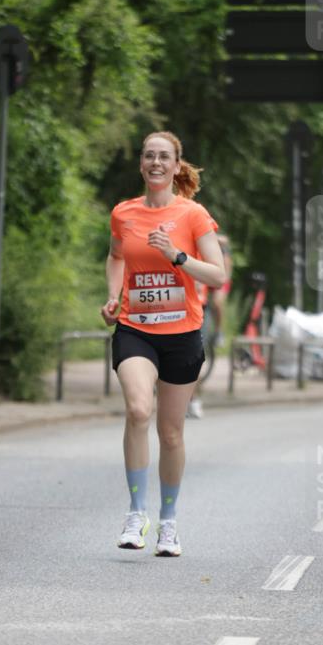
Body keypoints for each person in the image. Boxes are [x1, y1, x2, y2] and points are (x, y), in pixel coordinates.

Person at [101, 131, 226, 556]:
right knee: (138, 409)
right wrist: (114, 295)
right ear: (141, 164)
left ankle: (168, 523)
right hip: (136, 328)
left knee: (170, 433)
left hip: (182, 334)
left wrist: (176, 255)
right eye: (149, 156)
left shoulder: (193, 216)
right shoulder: (124, 213)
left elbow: (218, 274)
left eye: (164, 157)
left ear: (176, 166)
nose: (155, 163)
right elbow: (116, 256)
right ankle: (137, 514)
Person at [186, 232, 233, 419]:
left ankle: (194, 400)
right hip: (177, 308)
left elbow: (222, 277)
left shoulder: (209, 245)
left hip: (200, 307)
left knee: (193, 357)